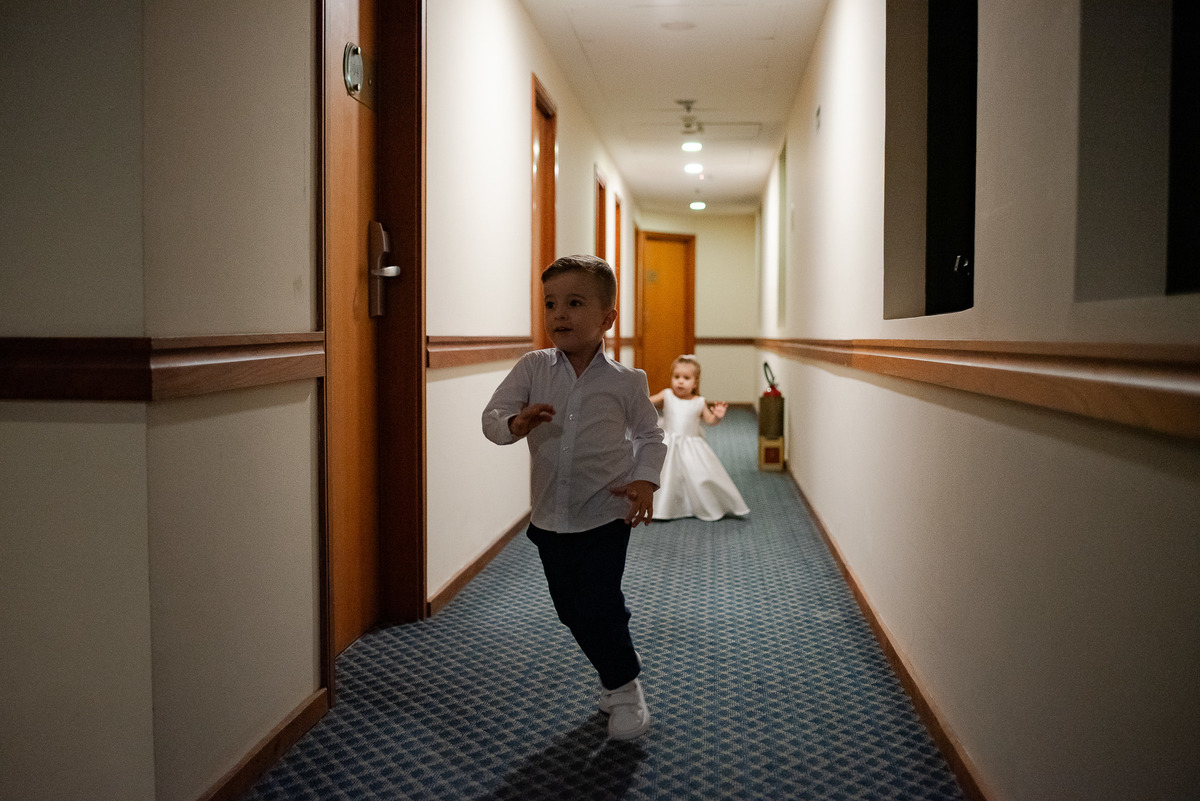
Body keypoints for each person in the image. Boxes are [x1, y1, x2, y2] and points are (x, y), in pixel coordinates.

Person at [482, 254, 666, 741]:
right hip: (550, 516)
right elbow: (492, 418)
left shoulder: (626, 381)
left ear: (607, 318)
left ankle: (624, 687)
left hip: (607, 512)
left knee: (599, 601)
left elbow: (650, 436)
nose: (559, 314)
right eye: (550, 304)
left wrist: (645, 481)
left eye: (575, 303)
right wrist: (515, 423)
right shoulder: (532, 368)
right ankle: (616, 654)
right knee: (571, 609)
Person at [649, 355, 750, 522]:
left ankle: (697, 505)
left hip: (691, 445)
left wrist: (717, 416)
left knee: (697, 475)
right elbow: (646, 402)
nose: (680, 381)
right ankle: (662, 507)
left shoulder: (699, 401)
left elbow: (709, 420)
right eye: (676, 377)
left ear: (695, 383)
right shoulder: (667, 395)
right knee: (665, 476)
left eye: (686, 378)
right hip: (667, 443)